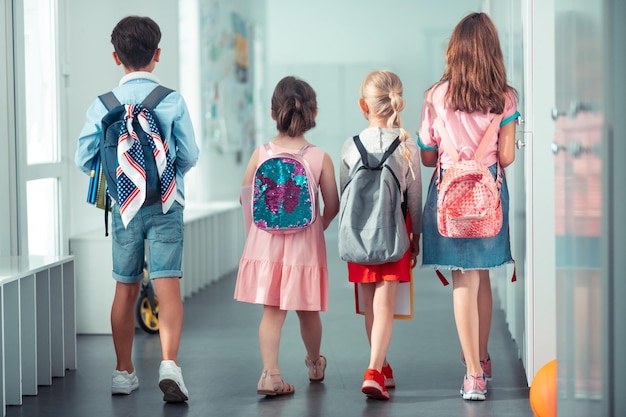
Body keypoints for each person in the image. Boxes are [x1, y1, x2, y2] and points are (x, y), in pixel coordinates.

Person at [75, 16, 200, 403]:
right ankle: (169, 363)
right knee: (168, 286)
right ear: (157, 55)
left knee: (125, 287)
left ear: (116, 57)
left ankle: (123, 371)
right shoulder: (171, 100)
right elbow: (191, 155)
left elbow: (85, 159)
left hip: (123, 208)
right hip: (166, 204)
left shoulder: (102, 105)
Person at [417, 12, 520, 401]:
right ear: (492, 51)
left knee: (464, 278)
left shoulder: (436, 96)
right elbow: (506, 157)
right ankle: (481, 359)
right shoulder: (505, 97)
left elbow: (428, 157)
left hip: (450, 196)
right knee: (483, 276)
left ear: (454, 51)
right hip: (488, 194)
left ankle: (473, 374)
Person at [235, 75, 340, 396]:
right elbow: (333, 204)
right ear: (314, 113)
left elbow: (246, 197)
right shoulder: (320, 157)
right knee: (308, 310)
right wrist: (317, 226)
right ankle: (314, 363)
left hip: (266, 244)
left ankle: (270, 374)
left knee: (272, 311)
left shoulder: (261, 153)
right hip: (304, 248)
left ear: (272, 113)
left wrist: (256, 235)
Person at [340, 70, 422, 400]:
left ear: (364, 105)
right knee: (386, 304)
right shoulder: (406, 146)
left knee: (371, 304)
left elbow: (347, 192)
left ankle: (382, 363)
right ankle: (373, 370)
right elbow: (414, 200)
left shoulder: (350, 146)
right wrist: (415, 239)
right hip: (394, 234)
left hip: (360, 235)